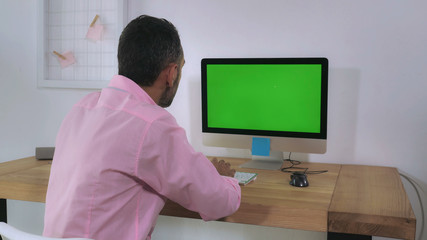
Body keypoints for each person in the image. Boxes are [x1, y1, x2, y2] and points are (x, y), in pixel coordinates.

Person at [43, 15, 241, 240]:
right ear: (171, 73)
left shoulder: (81, 107)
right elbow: (218, 201)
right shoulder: (152, 125)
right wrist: (223, 178)